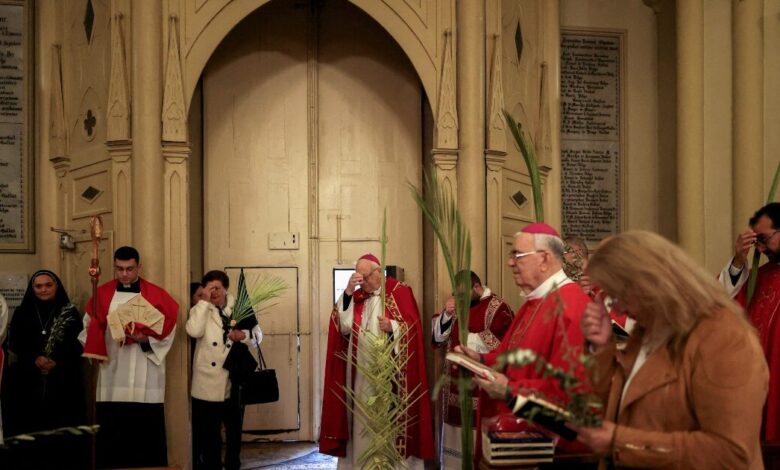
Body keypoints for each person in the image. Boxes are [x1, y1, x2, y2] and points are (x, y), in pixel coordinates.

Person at [574, 231, 768, 468]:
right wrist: (601, 348)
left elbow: (729, 453)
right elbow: (612, 413)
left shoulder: (724, 337)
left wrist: (621, 441)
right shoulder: (647, 331)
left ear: (649, 282)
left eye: (617, 296)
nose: (618, 308)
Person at [456, 223, 591, 463]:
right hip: (517, 437)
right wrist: (481, 359)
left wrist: (509, 391)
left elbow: (568, 394)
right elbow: (514, 354)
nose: (510, 262)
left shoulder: (571, 307)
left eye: (517, 255)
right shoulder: (536, 301)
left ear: (544, 259)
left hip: (550, 453)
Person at [320, 253, 434, 468]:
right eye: (358, 277)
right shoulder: (356, 296)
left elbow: (413, 328)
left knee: (390, 423)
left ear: (377, 272)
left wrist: (393, 327)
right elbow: (342, 326)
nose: (361, 282)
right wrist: (347, 291)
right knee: (362, 422)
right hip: (361, 374)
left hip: (392, 375)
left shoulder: (400, 291)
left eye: (364, 277)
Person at [80, 246, 179, 468]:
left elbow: (168, 330)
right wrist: (98, 332)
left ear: (139, 267)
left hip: (145, 371)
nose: (124, 274)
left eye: (129, 269)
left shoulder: (156, 295)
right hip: (112, 370)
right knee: (112, 433)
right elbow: (87, 329)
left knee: (145, 434)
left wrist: (144, 339)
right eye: (119, 269)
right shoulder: (102, 293)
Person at [431, 270, 513, 468]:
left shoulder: (498, 308)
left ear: (476, 288)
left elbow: (504, 344)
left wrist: (468, 339)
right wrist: (447, 315)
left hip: (480, 390)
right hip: (454, 390)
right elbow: (439, 339)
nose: (459, 299)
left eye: (462, 294)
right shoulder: (460, 305)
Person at [4, 270, 86, 469]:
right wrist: (35, 358)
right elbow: (14, 342)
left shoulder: (69, 312)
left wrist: (56, 360)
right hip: (28, 378)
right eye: (38, 286)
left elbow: (79, 343)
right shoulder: (23, 312)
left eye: (48, 285)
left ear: (56, 286)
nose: (43, 289)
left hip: (63, 379)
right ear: (32, 289)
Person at [187, 270, 262, 470]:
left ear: (225, 288)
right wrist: (203, 302)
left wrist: (243, 336)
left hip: (233, 380)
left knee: (234, 434)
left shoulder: (240, 307)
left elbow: (257, 336)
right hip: (206, 383)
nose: (214, 292)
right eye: (210, 288)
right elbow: (194, 331)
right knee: (209, 435)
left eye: (218, 288)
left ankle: (232, 465)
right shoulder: (200, 310)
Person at [719, 201, 780, 442]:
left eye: (764, 239)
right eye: (757, 243)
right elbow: (717, 304)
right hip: (759, 384)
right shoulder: (758, 278)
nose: (761, 249)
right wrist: (737, 261)